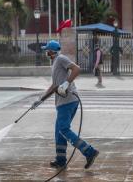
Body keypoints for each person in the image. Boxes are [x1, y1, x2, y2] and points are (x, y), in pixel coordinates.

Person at [31, 40, 99, 169]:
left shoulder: (60, 58)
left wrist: (67, 83)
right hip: (65, 101)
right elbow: (54, 86)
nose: (46, 52)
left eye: (47, 50)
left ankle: (89, 151)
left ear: (51, 51)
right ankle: (60, 160)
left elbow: (76, 69)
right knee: (59, 131)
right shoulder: (55, 63)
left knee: (63, 129)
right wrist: (41, 99)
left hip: (67, 101)